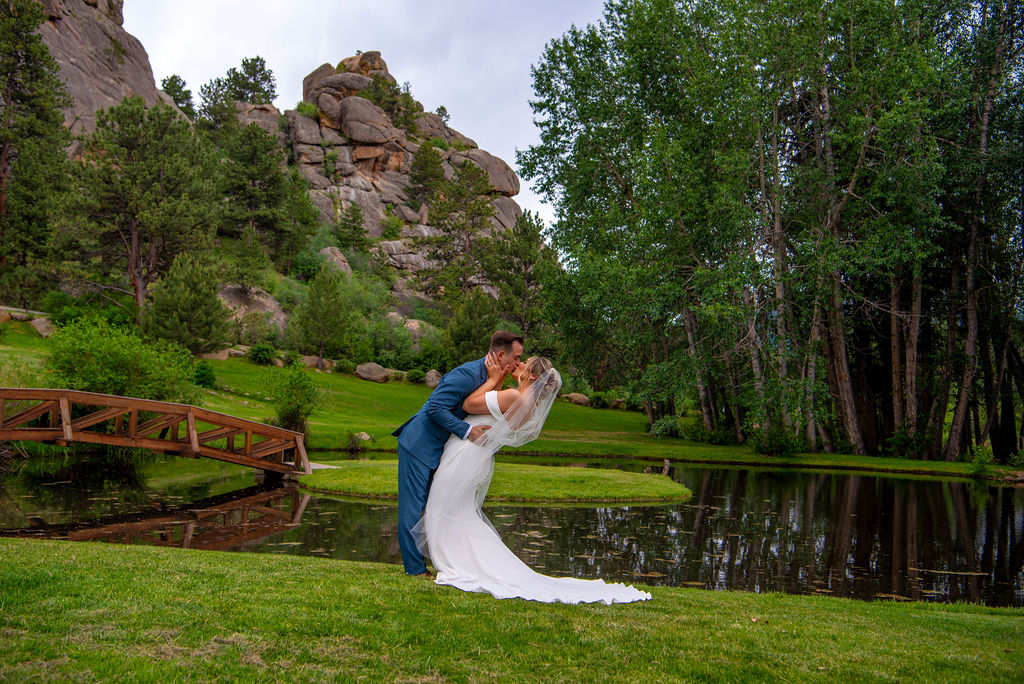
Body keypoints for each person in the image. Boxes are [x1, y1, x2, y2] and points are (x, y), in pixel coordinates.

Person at [417, 354, 652, 604]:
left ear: (530, 376)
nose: (516, 365)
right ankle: (466, 558)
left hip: (465, 455)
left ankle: (460, 561)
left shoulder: (515, 397)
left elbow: (468, 404)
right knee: (457, 509)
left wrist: (494, 378)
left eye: (522, 364)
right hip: (475, 456)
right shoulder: (528, 405)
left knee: (443, 508)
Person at [392, 330, 523, 576]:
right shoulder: (467, 374)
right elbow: (434, 407)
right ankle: (415, 569)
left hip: (442, 451)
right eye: (516, 358)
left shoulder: (491, 377)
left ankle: (449, 559)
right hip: (419, 444)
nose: (518, 363)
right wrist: (467, 431)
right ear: (502, 354)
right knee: (412, 509)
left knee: (440, 506)